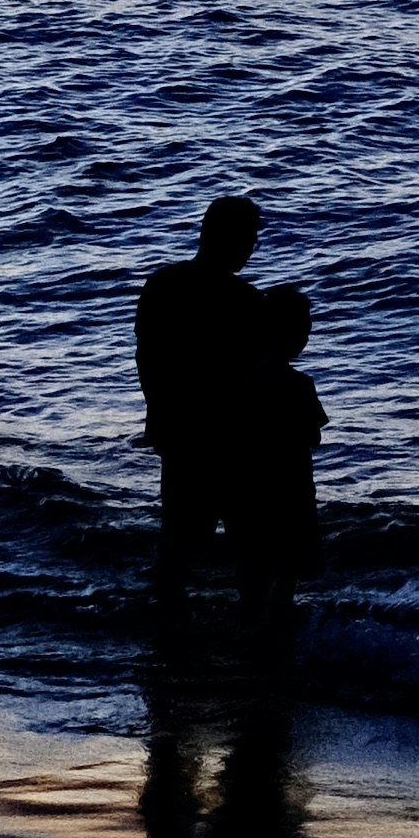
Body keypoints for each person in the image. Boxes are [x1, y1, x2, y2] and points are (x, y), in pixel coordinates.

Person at [135, 195, 265, 596]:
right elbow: (255, 378)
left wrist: (160, 417)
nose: (252, 247)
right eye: (248, 237)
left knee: (179, 538)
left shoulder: (163, 285)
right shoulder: (246, 301)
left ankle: (167, 623)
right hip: (230, 437)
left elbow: (147, 361)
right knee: (246, 541)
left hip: (179, 431)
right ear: (225, 237)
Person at [219, 283, 325, 635]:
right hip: (289, 489)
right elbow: (313, 436)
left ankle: (253, 632)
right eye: (304, 330)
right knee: (287, 570)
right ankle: (272, 636)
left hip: (243, 486)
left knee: (250, 568)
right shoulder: (299, 385)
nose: (306, 338)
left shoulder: (237, 380)